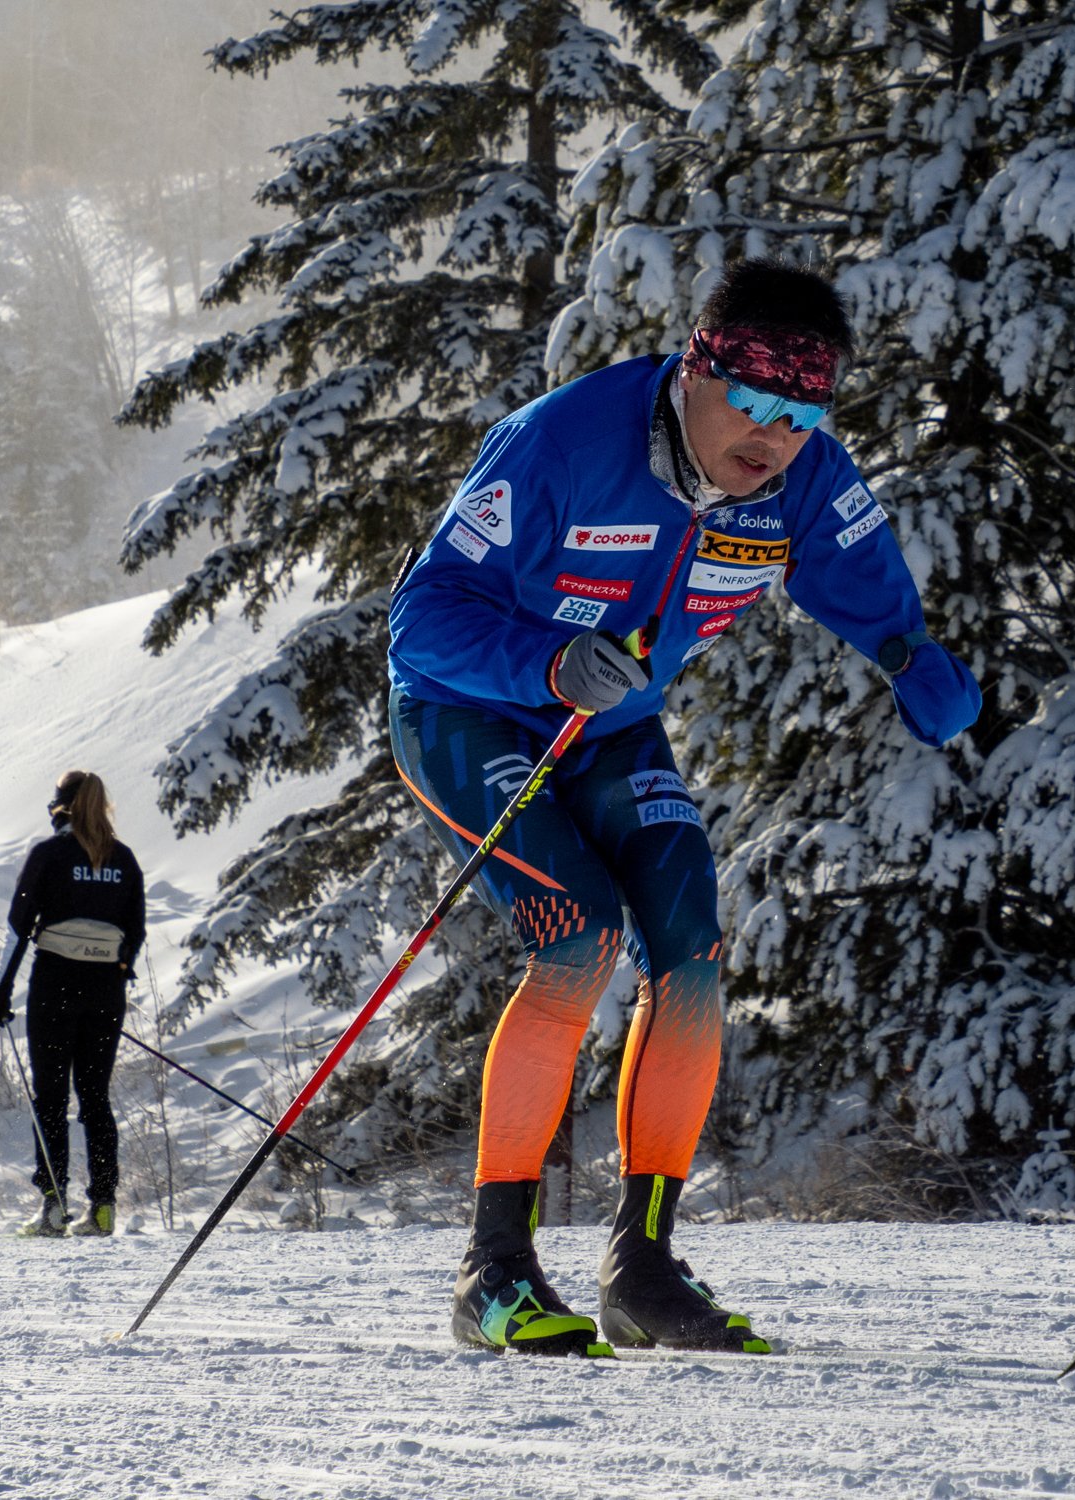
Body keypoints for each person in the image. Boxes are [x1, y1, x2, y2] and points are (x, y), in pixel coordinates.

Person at [386, 259, 981, 1355]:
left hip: (611, 722)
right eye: (752, 404)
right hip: (467, 710)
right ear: (693, 371)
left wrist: (908, 657)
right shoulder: (561, 441)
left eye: (802, 415)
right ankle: (494, 1273)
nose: (772, 436)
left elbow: (858, 575)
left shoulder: (802, 475)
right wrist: (547, 661)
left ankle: (642, 1270)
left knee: (690, 946)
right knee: (577, 942)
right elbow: (418, 619)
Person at [0, 770, 147, 1238]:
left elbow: (19, 927)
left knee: (52, 1098)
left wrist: (1, 991)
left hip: (54, 986)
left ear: (59, 806)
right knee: (95, 1098)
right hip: (105, 994)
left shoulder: (49, 855)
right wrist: (118, 971)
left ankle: (54, 1207)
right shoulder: (124, 859)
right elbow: (134, 931)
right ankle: (102, 1208)